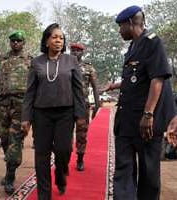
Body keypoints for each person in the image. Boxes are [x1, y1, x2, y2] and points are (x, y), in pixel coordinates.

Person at [104, 6, 176, 200]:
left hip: (146, 124)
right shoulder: (132, 46)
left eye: (120, 27)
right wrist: (114, 86)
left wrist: (148, 114)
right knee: (123, 171)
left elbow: (157, 79)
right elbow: (136, 79)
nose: (119, 31)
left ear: (130, 23)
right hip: (127, 120)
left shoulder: (153, 42)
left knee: (149, 173)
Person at [21, 23, 86, 199]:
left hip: (66, 114)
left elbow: (78, 90)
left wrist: (81, 115)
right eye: (55, 37)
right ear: (47, 40)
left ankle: (60, 175)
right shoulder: (36, 62)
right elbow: (30, 92)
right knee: (41, 154)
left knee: (64, 150)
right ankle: (44, 195)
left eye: (61, 38)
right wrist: (25, 118)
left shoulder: (71, 61)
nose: (59, 40)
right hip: (41, 114)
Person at [0, 30, 32, 195]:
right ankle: (10, 167)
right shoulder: (0, 59)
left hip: (21, 105)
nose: (15, 43)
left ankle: (10, 176)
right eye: (12, 40)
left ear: (23, 43)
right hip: (2, 104)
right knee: (4, 138)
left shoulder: (30, 61)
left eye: (18, 41)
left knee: (15, 139)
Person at [70, 42, 100, 171]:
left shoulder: (89, 68)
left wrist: (97, 105)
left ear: (82, 53)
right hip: (66, 104)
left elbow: (95, 86)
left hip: (82, 104)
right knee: (65, 133)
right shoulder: (65, 66)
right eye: (73, 50)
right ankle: (64, 158)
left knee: (82, 133)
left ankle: (80, 159)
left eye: (78, 51)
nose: (75, 53)